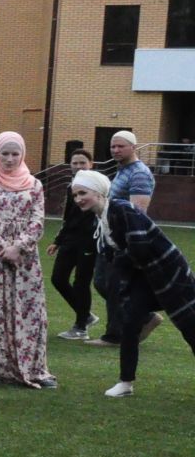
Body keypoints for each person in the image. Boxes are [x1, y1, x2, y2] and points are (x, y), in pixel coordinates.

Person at [70, 169, 195, 397]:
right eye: (75, 194)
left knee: (190, 328)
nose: (78, 199)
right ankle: (125, 383)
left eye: (82, 193)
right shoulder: (101, 219)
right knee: (129, 324)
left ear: (98, 193)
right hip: (143, 277)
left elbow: (139, 246)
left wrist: (118, 264)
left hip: (169, 274)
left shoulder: (122, 209)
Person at [0, 131, 56, 388]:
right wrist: (2, 246)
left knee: (29, 312)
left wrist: (18, 247)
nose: (9, 159)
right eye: (4, 153)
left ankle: (34, 368)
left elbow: (37, 222)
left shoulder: (34, 185)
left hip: (25, 260)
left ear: (22, 154)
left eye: (14, 153)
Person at [91, 130, 156, 345]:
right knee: (104, 282)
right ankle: (144, 317)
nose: (116, 150)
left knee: (112, 284)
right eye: (113, 146)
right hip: (111, 236)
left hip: (122, 239)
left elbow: (138, 211)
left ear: (134, 147)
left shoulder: (139, 173)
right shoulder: (123, 170)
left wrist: (125, 242)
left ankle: (115, 335)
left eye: (121, 146)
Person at [47, 149, 99, 340]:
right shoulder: (72, 187)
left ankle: (80, 327)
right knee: (58, 278)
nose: (78, 166)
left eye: (82, 163)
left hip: (89, 242)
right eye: (74, 163)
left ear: (91, 164)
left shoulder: (97, 187)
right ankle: (86, 315)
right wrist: (58, 241)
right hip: (70, 241)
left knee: (81, 282)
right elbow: (68, 217)